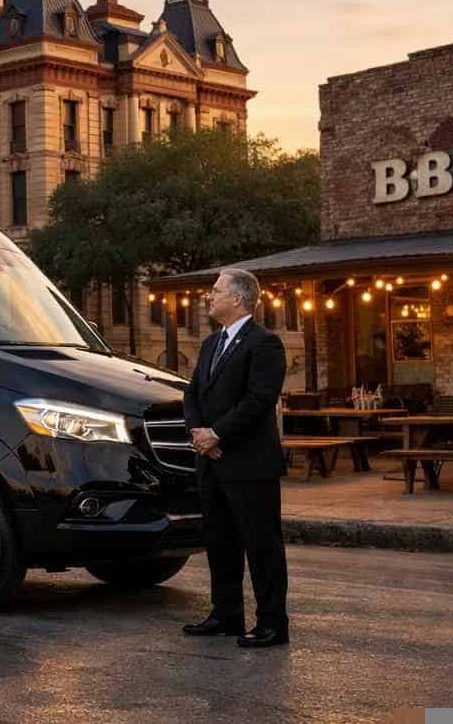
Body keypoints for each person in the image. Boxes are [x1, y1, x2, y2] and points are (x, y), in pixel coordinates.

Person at [181, 268, 290, 648]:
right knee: (221, 541)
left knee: (262, 545)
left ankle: (272, 624)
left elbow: (259, 400)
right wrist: (199, 433)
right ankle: (226, 614)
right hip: (211, 461)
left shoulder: (265, 344)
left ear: (238, 299)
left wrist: (218, 433)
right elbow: (192, 393)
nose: (208, 297)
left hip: (250, 464)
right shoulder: (211, 343)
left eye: (215, 291)